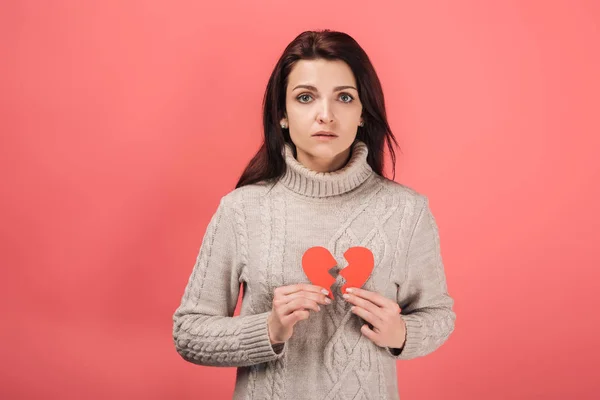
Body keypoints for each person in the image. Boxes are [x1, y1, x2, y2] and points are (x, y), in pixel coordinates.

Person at [172, 29, 456, 400]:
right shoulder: (241, 209)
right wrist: (269, 329)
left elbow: (438, 315)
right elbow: (189, 333)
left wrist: (401, 334)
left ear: (363, 113)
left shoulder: (406, 210)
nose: (326, 115)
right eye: (305, 98)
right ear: (282, 116)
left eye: (344, 97)